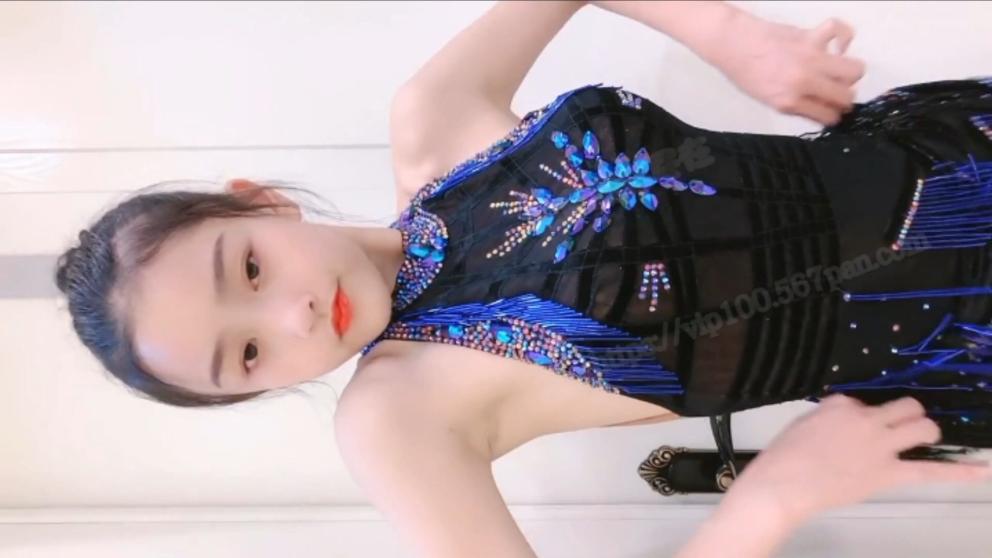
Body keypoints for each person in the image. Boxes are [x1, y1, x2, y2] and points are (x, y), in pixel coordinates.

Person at [52, 1, 991, 556]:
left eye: (250, 268)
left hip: (955, 151)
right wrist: (770, 501)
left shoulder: (434, 121)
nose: (294, 315)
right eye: (250, 354)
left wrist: (728, 32)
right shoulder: (394, 420)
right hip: (963, 336)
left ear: (257, 203)